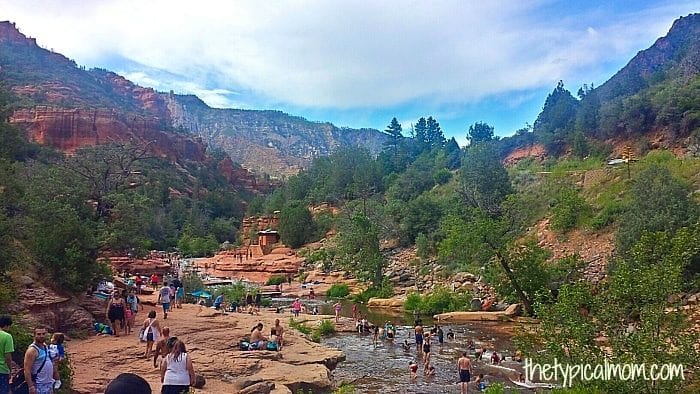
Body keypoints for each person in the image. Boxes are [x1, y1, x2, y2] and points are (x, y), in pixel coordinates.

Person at [23, 327, 54, 394]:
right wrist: (31, 386)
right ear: (34, 335)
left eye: (43, 334)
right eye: (39, 334)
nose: (41, 336)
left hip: (48, 383)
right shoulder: (32, 350)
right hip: (38, 384)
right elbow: (27, 369)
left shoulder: (45, 346)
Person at [0, 315, 13, 394]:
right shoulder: (7, 337)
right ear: (6, 325)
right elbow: (8, 356)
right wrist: (10, 370)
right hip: (2, 369)